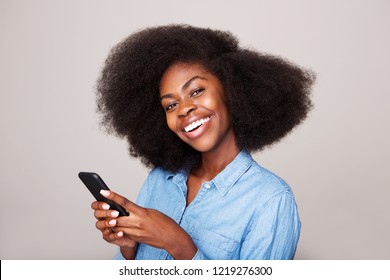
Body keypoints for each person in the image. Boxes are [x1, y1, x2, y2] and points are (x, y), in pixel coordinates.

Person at [91, 24, 315, 260]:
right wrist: (129, 248)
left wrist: (178, 244)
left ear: (231, 90)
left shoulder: (271, 201)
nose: (184, 109)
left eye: (196, 91)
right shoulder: (160, 179)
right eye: (170, 105)